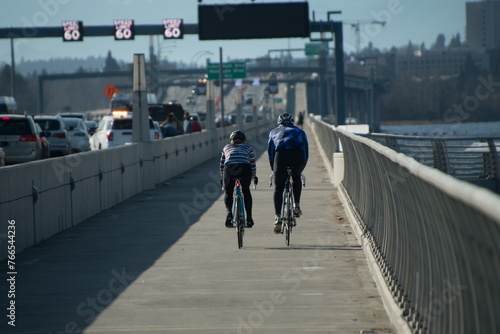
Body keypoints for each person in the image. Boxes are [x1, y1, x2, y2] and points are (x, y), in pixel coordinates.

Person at [268, 113, 308, 234]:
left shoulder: (273, 132)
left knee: (278, 189)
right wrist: (301, 168)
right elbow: (305, 150)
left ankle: (278, 216)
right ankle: (296, 206)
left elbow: (271, 152)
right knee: (296, 178)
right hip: (297, 157)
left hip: (280, 157)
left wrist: (273, 169)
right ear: (292, 122)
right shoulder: (300, 132)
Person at [220, 130, 258, 228]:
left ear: (231, 140)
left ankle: (229, 214)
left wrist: (222, 176)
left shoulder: (226, 147)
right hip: (244, 168)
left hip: (229, 168)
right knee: (246, 191)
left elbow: (222, 164)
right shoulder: (248, 147)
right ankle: (249, 218)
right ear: (243, 140)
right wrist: (254, 176)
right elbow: (252, 164)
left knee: (228, 192)